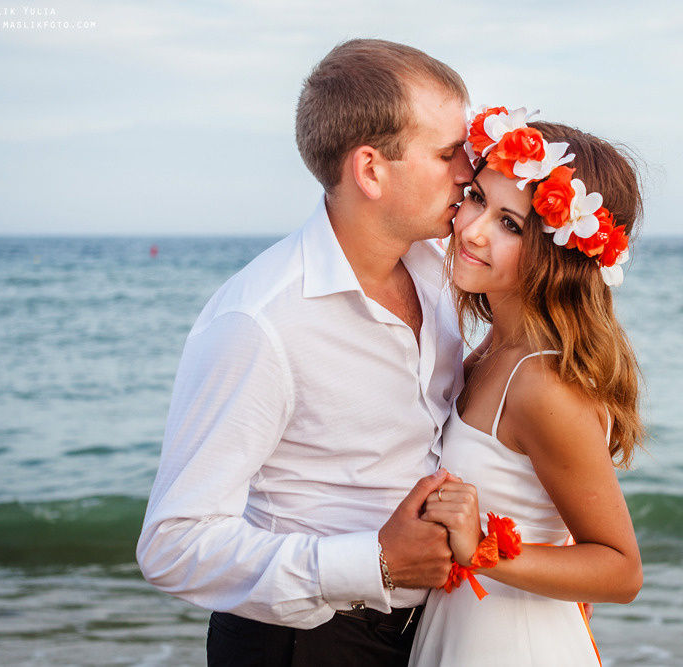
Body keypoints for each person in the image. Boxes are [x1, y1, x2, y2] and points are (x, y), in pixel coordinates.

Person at [136, 39, 474, 666]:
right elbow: (172, 546)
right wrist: (371, 561)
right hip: (301, 644)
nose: (468, 172)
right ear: (371, 169)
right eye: (449, 153)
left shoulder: (441, 270)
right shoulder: (259, 321)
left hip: (431, 629)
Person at [407, 107, 646, 666]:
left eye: (510, 224)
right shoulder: (496, 346)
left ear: (558, 253)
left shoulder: (542, 382)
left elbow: (620, 569)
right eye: (476, 199)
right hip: (466, 632)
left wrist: (484, 551)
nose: (472, 228)